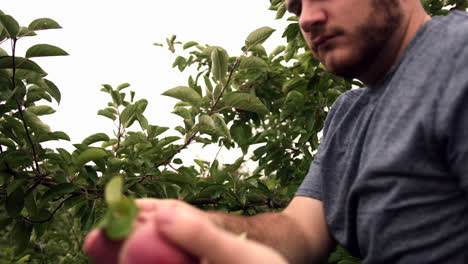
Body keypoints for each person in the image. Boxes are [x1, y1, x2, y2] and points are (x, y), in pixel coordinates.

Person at [85, 0, 468, 263]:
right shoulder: (347, 116)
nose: (305, 18)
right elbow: (299, 232)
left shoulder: (457, 53)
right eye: (297, 6)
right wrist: (198, 227)